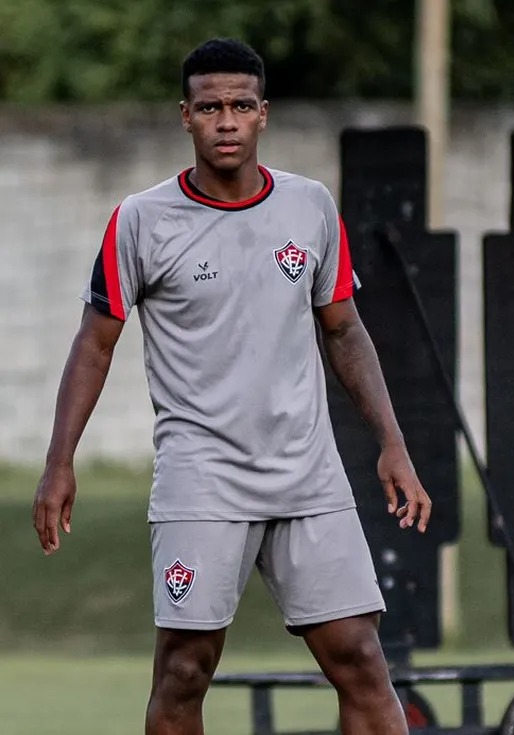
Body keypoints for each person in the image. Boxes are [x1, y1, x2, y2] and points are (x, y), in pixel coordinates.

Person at [31, 37, 431, 735]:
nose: (226, 120)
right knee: (184, 669)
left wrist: (391, 443)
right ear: (184, 116)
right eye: (210, 106)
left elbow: (345, 332)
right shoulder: (140, 221)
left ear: (262, 114)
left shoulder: (309, 207)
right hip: (203, 477)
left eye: (241, 105)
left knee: (362, 659)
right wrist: (59, 460)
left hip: (308, 473)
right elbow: (94, 344)